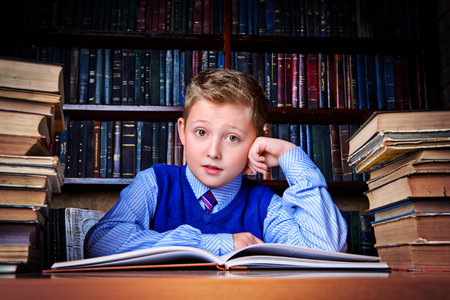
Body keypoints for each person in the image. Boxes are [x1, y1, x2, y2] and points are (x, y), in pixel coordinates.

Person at [84, 68, 347, 258]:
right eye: (201, 132)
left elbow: (327, 252)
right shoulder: (155, 183)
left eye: (232, 137)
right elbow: (101, 242)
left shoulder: (265, 206)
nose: (213, 152)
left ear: (256, 141)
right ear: (182, 132)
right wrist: (219, 244)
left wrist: (291, 156)